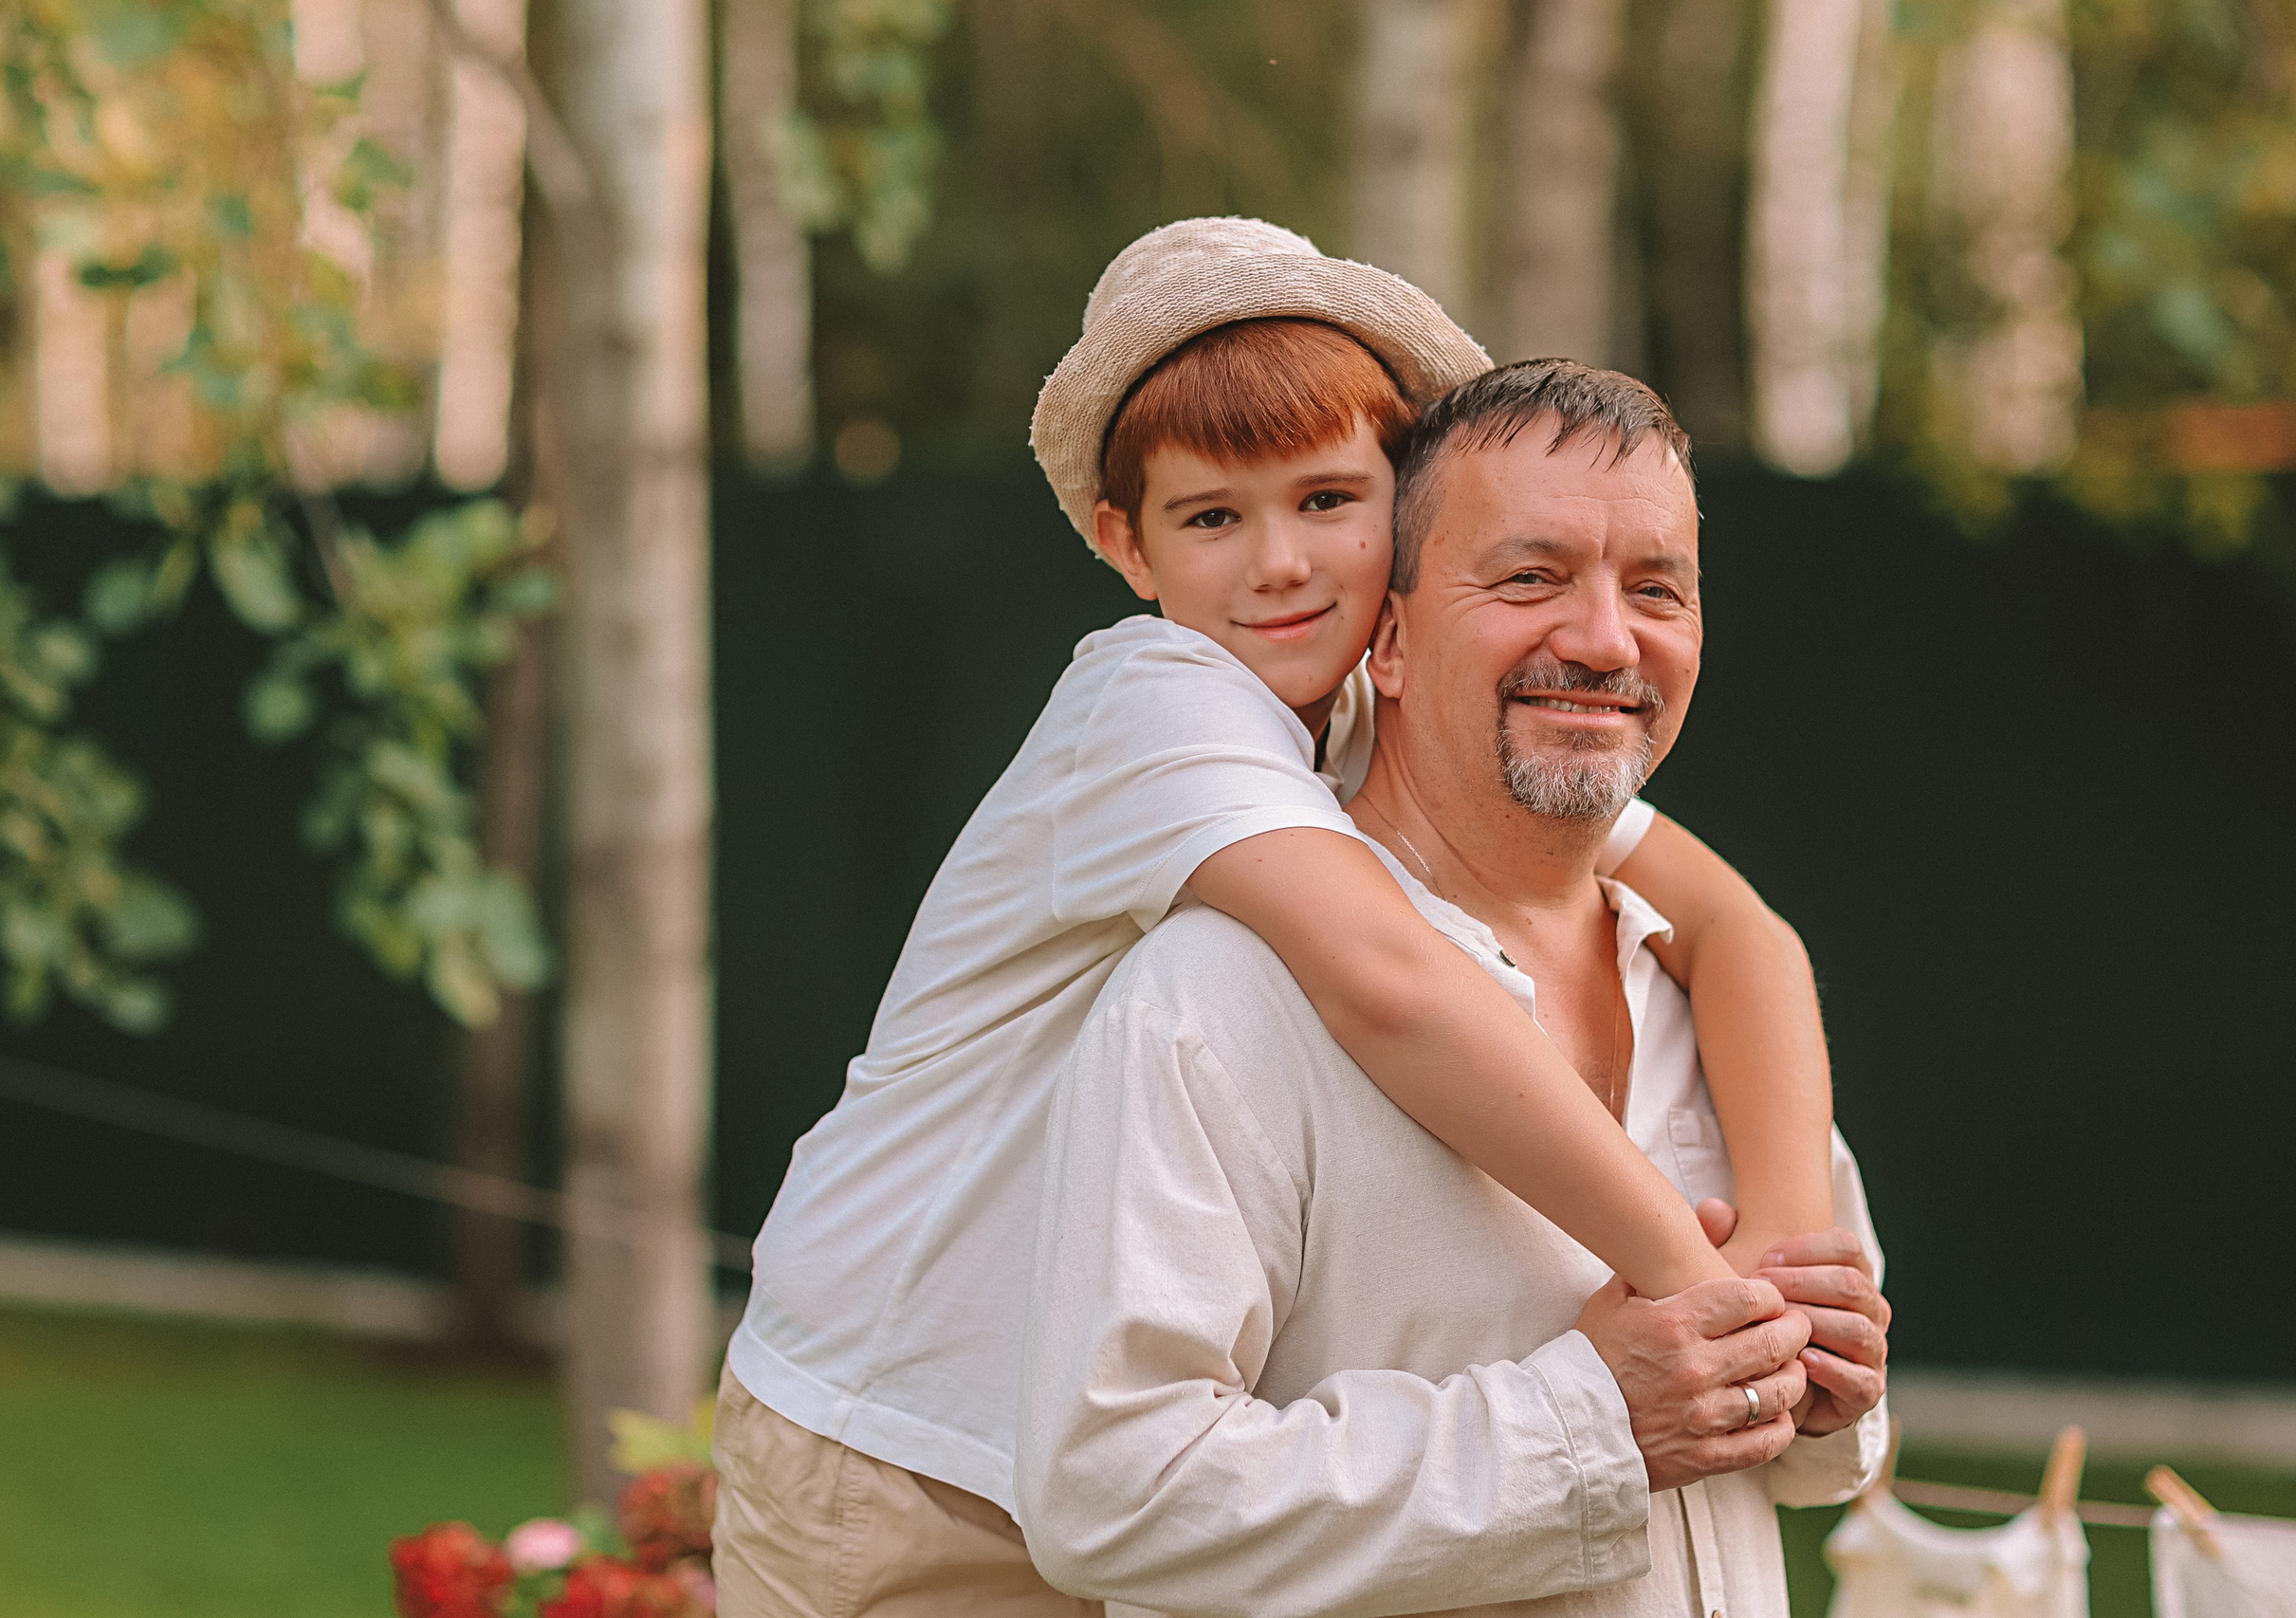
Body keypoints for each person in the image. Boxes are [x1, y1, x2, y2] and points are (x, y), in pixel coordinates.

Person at [714, 220, 1835, 1612]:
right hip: (885, 1430)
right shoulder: (1154, 705)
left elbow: (1743, 933)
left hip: (1046, 1433)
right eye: (1211, 517)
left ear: (1406, 501)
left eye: (1328, 500)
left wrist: (1786, 1254)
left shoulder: (1381, 718)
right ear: (1127, 544)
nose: (1282, 564)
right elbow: (1394, 985)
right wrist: (1689, 1284)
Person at [1015, 359, 1893, 1617]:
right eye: (1530, 577)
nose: (1603, 639)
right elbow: (1111, 1492)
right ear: (1388, 634)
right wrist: (1589, 1421)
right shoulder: (1215, 1000)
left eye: (1657, 589)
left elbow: (1811, 1464)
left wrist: (1826, 1379)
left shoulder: (1711, 996)